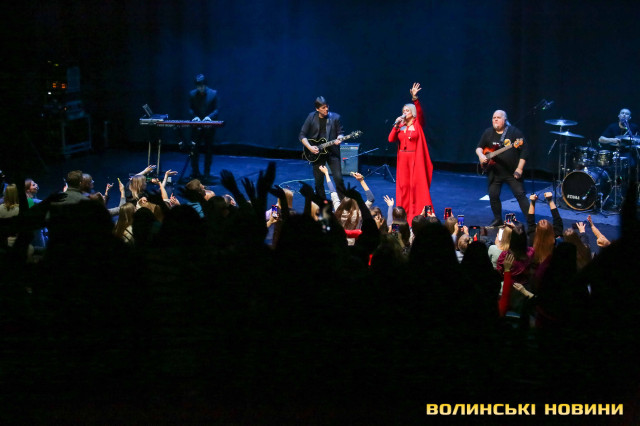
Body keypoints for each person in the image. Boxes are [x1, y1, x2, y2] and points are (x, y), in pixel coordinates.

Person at [388, 82, 434, 224]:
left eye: (407, 110)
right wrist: (396, 125)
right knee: (404, 187)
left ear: (412, 112)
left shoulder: (417, 124)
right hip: (403, 159)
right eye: (403, 110)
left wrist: (415, 98)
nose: (404, 112)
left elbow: (420, 113)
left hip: (415, 159)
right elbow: (391, 139)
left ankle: (419, 214)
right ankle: (404, 214)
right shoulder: (401, 125)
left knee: (416, 187)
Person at [476, 109, 530, 227]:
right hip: (494, 172)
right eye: (494, 118)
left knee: (520, 195)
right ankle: (498, 219)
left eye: (498, 117)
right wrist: (481, 156)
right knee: (493, 195)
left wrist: (519, 169)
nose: (495, 119)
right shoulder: (488, 132)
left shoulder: (514, 132)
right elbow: (479, 148)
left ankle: (531, 221)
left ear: (505, 120)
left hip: (512, 172)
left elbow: (525, 151)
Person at [299, 96, 346, 200]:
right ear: (317, 109)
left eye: (327, 106)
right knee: (319, 182)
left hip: (332, 152)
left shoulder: (335, 117)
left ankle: (343, 202)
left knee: (338, 179)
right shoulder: (311, 117)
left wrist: (340, 138)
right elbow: (302, 135)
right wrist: (310, 147)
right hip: (317, 154)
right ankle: (322, 204)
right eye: (323, 108)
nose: (326, 109)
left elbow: (341, 133)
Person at [189, 73, 219, 181]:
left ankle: (207, 172)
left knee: (208, 150)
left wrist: (209, 117)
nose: (200, 88)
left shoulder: (213, 93)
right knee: (194, 150)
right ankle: (195, 172)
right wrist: (195, 117)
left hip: (208, 127)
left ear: (205, 85)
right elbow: (190, 109)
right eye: (198, 86)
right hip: (196, 126)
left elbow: (216, 110)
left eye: (202, 86)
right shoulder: (192, 94)